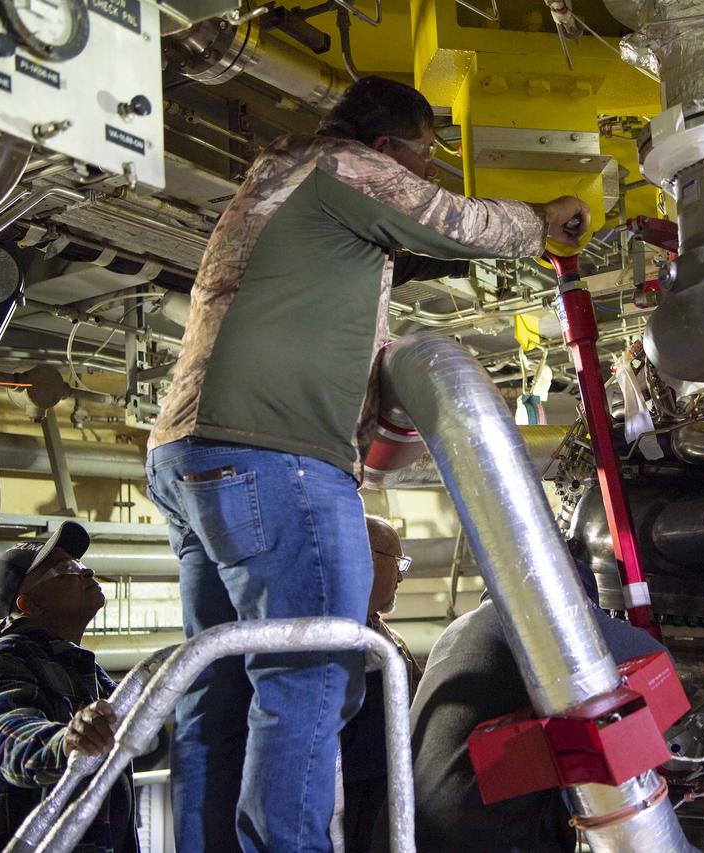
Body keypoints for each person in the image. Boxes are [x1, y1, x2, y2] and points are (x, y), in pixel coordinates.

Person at [145, 73, 589, 853]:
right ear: (388, 146)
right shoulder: (347, 167)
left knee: (214, 690)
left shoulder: (286, 179)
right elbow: (457, 221)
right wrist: (544, 222)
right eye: (424, 158)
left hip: (192, 457)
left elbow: (406, 248)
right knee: (312, 679)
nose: (427, 175)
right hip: (275, 459)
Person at [409, 562, 666, 852]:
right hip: (488, 832)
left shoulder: (460, 629)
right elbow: (656, 658)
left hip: (412, 827)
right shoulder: (542, 619)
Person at [0, 521, 137, 853]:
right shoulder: (2, 659)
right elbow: (0, 732)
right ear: (29, 605)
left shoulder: (90, 675)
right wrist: (63, 743)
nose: (87, 573)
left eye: (81, 565)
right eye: (65, 568)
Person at [338, 515, 420, 853]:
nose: (401, 575)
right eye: (397, 562)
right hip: (360, 822)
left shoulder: (385, 637)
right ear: (369, 557)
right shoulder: (337, 637)